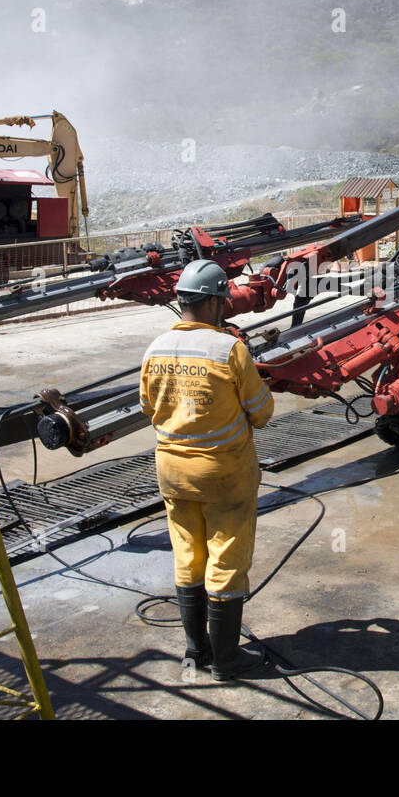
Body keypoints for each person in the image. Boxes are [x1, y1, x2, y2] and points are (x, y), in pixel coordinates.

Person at [139, 259, 275, 680]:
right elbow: (262, 412)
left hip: (173, 471)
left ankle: (195, 651)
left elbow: (149, 408)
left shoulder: (154, 349)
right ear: (216, 303)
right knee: (226, 559)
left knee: (187, 554)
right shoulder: (228, 350)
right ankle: (227, 660)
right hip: (224, 474)